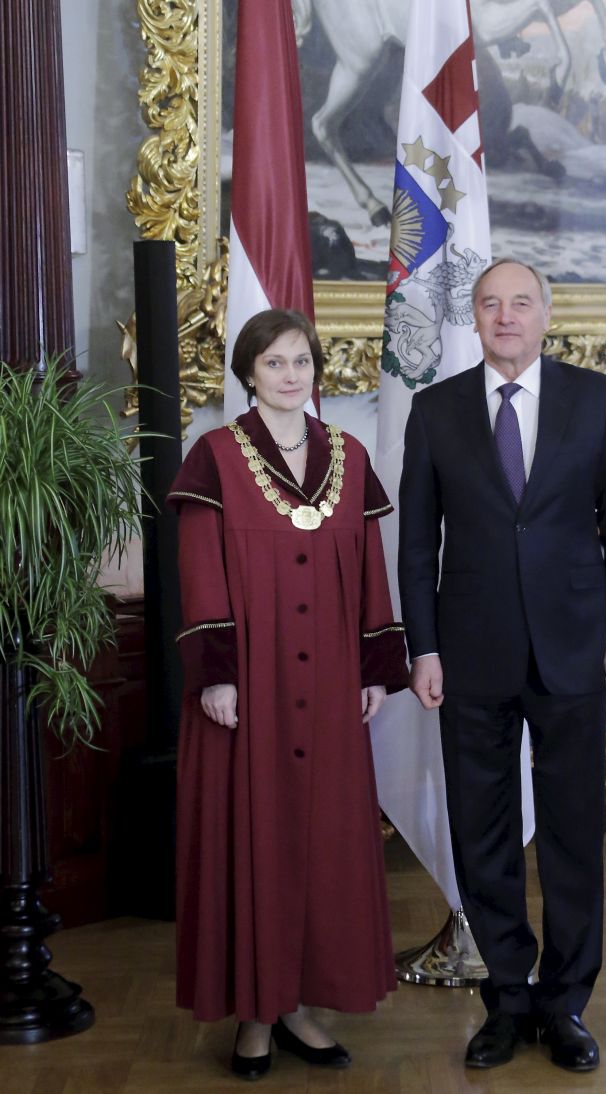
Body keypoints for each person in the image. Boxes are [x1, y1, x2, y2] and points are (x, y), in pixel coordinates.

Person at [398, 258, 606, 1073]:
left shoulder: (596, 398)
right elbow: (416, 545)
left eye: (520, 303)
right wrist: (424, 647)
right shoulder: (434, 410)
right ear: (473, 317)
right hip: (470, 653)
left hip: (576, 648)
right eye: (490, 304)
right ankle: (506, 999)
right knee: (483, 833)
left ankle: (566, 1003)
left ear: (546, 313)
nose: (505, 316)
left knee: (574, 832)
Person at [168, 308, 408, 1081]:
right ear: (248, 372)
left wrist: (374, 669)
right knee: (256, 839)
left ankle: (300, 1005)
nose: (290, 375)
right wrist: (217, 675)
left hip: (332, 688)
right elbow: (200, 572)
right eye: (274, 362)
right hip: (250, 690)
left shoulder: (349, 454)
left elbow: (370, 569)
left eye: (301, 361)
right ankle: (254, 1012)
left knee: (321, 845)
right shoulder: (214, 457)